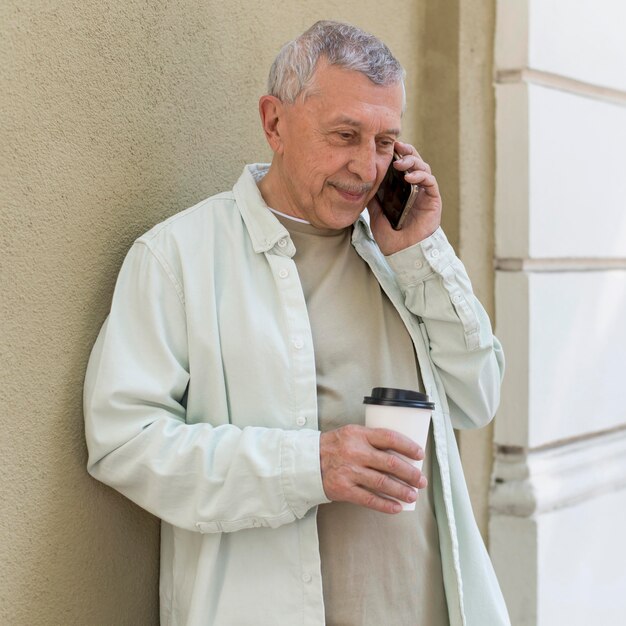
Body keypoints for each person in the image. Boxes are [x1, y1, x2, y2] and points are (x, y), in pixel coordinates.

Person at [84, 20, 510, 626]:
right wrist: (309, 465)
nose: (366, 168)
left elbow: (478, 397)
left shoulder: (400, 256)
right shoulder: (178, 256)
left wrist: (423, 251)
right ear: (274, 122)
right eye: (344, 135)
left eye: (386, 142)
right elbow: (124, 444)